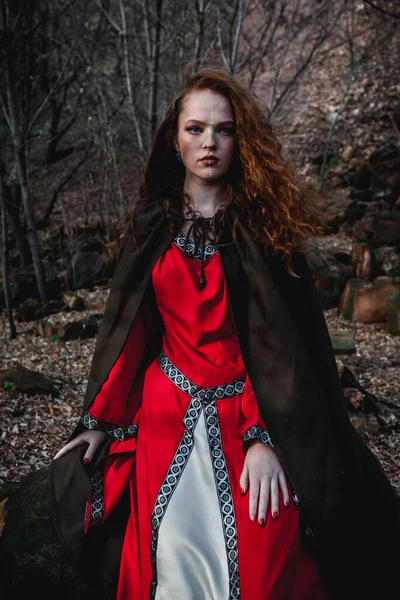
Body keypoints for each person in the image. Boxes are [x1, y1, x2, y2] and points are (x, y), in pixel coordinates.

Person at [49, 68, 398, 599]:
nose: (209, 142)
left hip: (255, 412)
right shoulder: (151, 226)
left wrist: (265, 438)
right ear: (175, 138)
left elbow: (285, 350)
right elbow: (130, 336)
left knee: (268, 558)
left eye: (224, 129)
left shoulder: (265, 229)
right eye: (195, 128)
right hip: (168, 414)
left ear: (241, 139)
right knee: (166, 554)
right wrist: (100, 419)